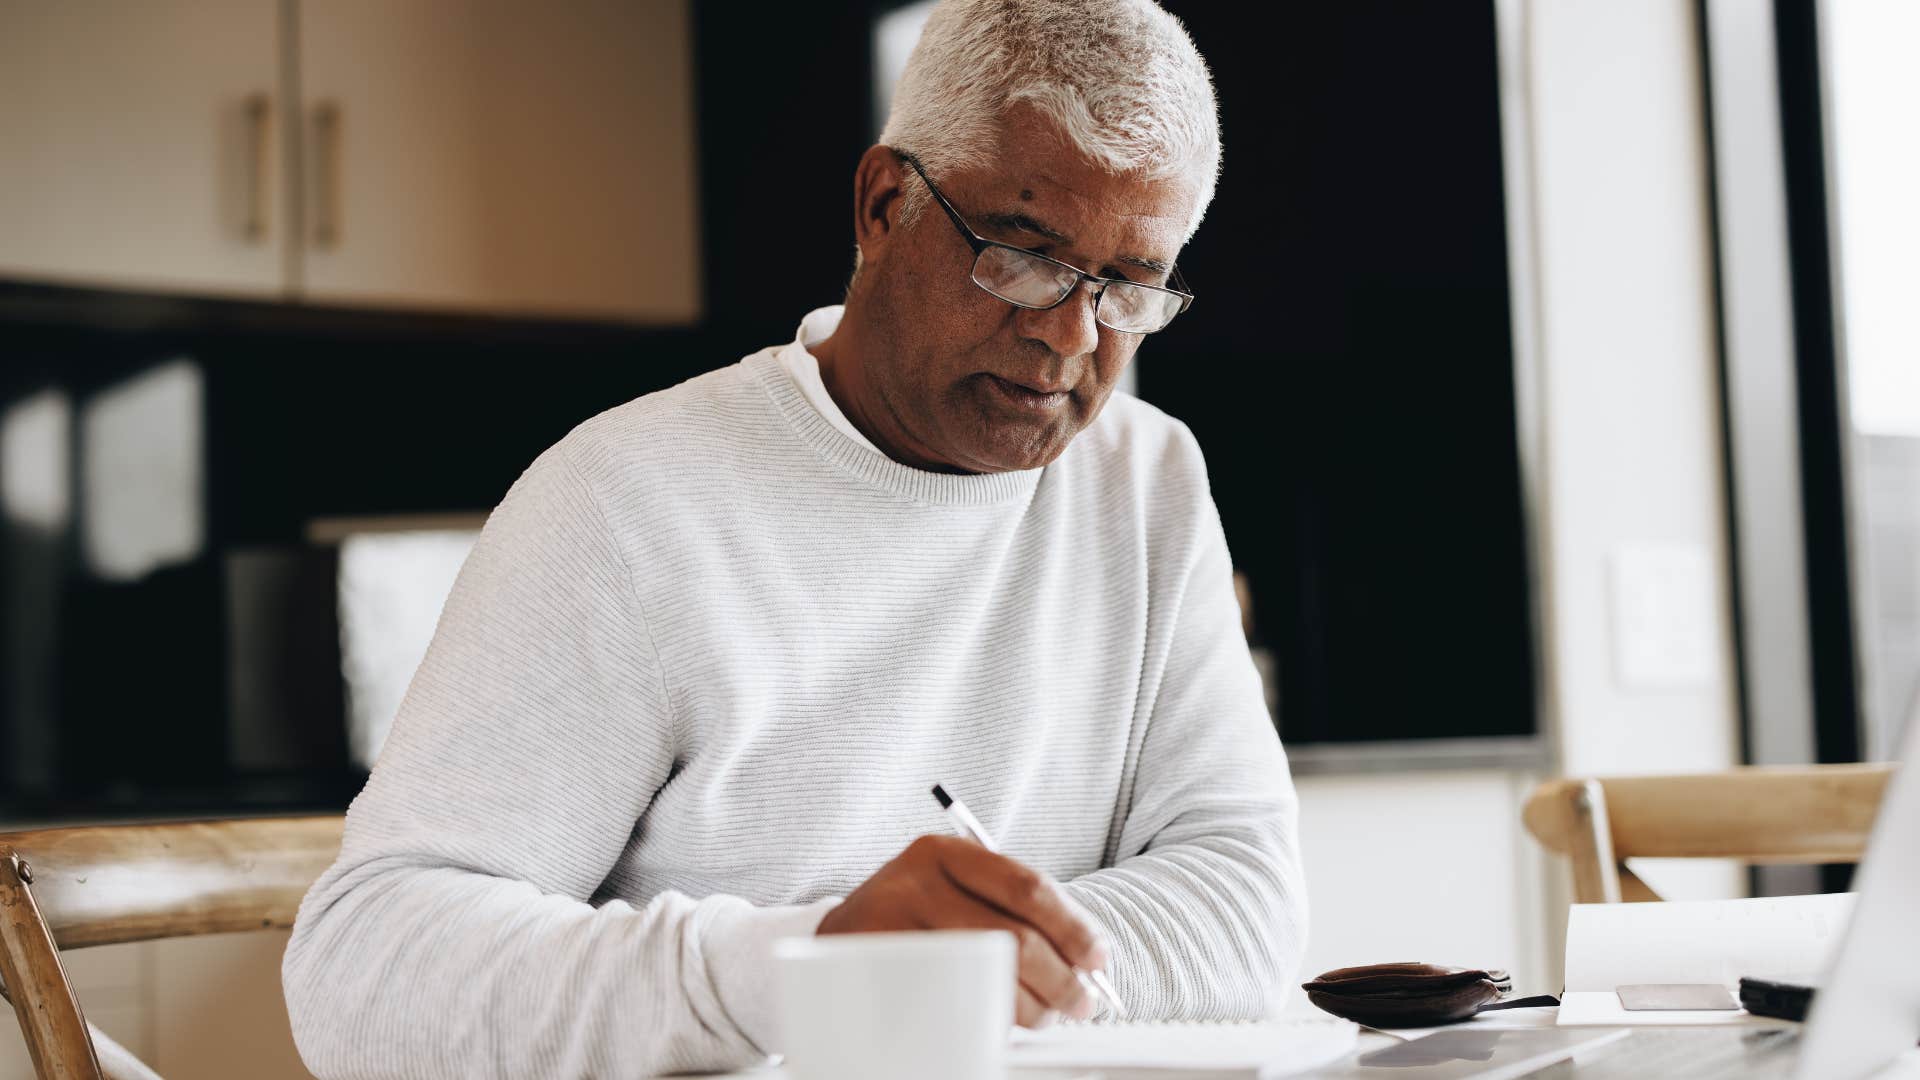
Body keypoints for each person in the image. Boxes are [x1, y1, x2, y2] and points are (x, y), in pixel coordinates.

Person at [281, 1, 1305, 1076]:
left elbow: (1244, 905)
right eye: (1023, 254)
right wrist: (811, 967)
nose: (1067, 334)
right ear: (883, 206)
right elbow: (364, 972)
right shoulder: (629, 503)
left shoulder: (1146, 484)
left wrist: (961, 978)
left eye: (1128, 286)